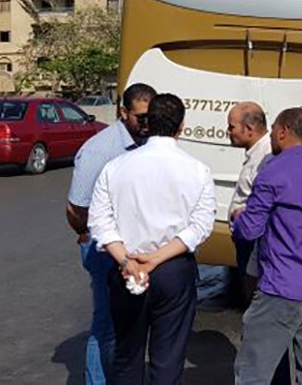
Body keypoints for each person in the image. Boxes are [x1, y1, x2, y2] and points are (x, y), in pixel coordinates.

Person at [88, 93, 217, 384]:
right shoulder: (197, 171)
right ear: (182, 126)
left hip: (126, 268)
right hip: (172, 270)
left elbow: (99, 222)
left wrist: (126, 260)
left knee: (127, 356)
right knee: (168, 360)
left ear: (147, 124)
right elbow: (200, 226)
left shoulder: (116, 167)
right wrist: (156, 259)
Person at [232, 107, 302, 385]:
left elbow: (249, 231)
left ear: (282, 132)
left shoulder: (273, 173)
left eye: (272, 133)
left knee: (253, 373)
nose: (269, 138)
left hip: (282, 287)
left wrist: (238, 215)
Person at [65, 82, 155, 384]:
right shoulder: (99, 150)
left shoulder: (147, 142)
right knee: (106, 325)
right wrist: (86, 232)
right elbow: (76, 207)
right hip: (103, 249)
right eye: (140, 117)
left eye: (150, 117)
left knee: (127, 322)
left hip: (134, 249)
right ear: (122, 112)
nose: (146, 124)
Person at [226, 101, 272, 285]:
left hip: (252, 242)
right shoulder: (257, 153)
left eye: (231, 127)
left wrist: (240, 215)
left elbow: (264, 203)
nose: (228, 132)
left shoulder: (266, 157)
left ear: (249, 128)